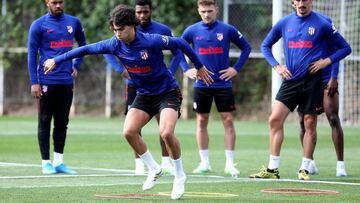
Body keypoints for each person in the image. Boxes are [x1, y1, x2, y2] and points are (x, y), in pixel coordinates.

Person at [43, 4, 213, 199]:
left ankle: (180, 174)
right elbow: (85, 49)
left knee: (166, 133)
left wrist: (199, 66)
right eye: (115, 29)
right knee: (129, 131)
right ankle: (153, 168)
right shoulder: (114, 44)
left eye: (121, 29)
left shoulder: (151, 41)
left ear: (132, 26)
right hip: (144, 94)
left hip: (167, 92)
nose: (117, 33)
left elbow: (181, 44)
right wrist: (56, 60)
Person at [249, 0, 351, 180]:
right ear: (293, 2)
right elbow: (265, 45)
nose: (302, 3)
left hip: (312, 81)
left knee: (309, 122)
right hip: (290, 80)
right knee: (274, 119)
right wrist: (277, 66)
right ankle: (273, 169)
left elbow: (345, 48)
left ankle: (305, 167)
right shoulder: (284, 23)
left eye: (305, 0)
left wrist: (325, 62)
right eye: (298, 0)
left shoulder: (322, 23)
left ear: (311, 1)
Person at [103, 0, 191, 176]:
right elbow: (103, 49)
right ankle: (141, 164)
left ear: (150, 11)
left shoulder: (160, 31)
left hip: (162, 87)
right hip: (137, 86)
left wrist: (173, 71)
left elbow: (178, 49)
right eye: (138, 12)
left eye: (145, 12)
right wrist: (121, 69)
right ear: (134, 14)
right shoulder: (121, 32)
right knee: (132, 127)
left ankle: (166, 162)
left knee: (164, 126)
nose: (141, 15)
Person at [181, 0, 251, 177]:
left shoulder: (227, 29)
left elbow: (246, 47)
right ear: (198, 11)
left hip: (223, 84)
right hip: (201, 84)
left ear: (216, 10)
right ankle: (204, 163)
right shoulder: (192, 30)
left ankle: (229, 164)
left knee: (227, 120)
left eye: (210, 11)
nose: (207, 14)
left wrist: (235, 69)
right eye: (203, 11)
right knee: (201, 120)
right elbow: (178, 49)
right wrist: (186, 69)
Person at [27, 0, 86, 175]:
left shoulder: (73, 22)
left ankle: (59, 162)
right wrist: (34, 81)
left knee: (62, 122)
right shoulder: (38, 25)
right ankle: (46, 163)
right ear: (47, 3)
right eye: (54, 2)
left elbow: (83, 46)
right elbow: (31, 53)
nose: (58, 5)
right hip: (46, 81)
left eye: (61, 2)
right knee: (44, 121)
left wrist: (77, 65)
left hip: (66, 82)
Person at [298, 58, 347, 177]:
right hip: (306, 81)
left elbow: (337, 52)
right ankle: (310, 163)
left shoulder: (329, 38)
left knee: (333, 119)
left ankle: (340, 165)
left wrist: (334, 77)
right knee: (303, 123)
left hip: (326, 80)